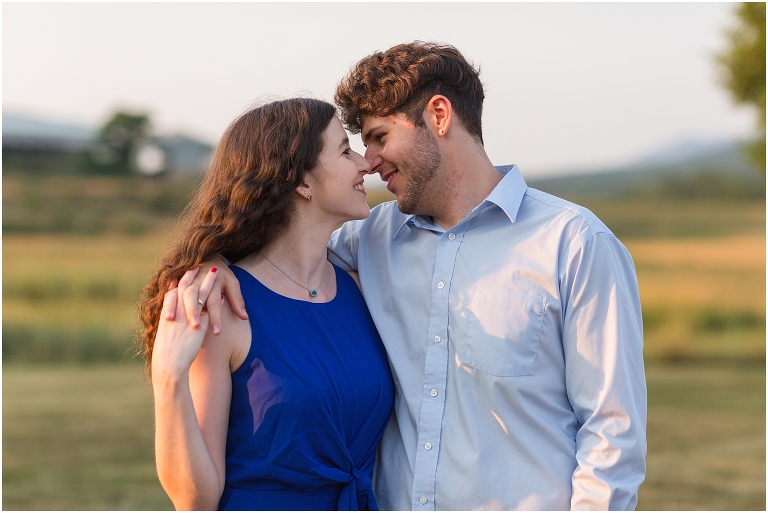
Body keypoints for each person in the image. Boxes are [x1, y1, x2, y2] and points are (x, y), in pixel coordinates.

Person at [183, 42, 647, 510]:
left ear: (439, 116)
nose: (371, 161)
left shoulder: (574, 243)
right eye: (360, 146)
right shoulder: (371, 238)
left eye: (380, 136)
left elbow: (612, 432)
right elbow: (279, 250)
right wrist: (214, 265)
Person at [137, 98, 394, 511]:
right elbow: (194, 499)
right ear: (301, 181)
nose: (366, 164)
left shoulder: (363, 289)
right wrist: (169, 379)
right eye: (345, 151)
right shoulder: (221, 304)